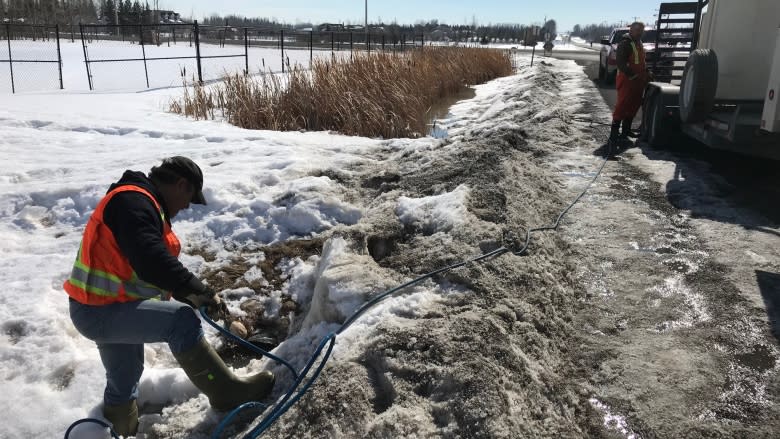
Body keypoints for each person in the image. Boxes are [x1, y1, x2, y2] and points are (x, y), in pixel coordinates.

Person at [65, 156, 274, 437]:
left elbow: (141, 264)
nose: (186, 206)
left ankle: (119, 428)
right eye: (189, 198)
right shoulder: (134, 202)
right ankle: (227, 394)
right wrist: (196, 290)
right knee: (181, 321)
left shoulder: (137, 202)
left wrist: (189, 292)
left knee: (126, 376)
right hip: (99, 311)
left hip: (102, 307)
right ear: (181, 184)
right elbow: (150, 257)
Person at [610, 22, 653, 147]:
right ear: (631, 30)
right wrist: (632, 75)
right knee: (623, 105)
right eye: (637, 29)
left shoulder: (639, 43)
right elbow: (621, 63)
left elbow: (641, 62)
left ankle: (626, 131)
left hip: (638, 81)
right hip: (627, 80)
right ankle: (614, 134)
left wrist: (646, 73)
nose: (640, 32)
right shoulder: (625, 43)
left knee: (634, 105)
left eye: (641, 30)